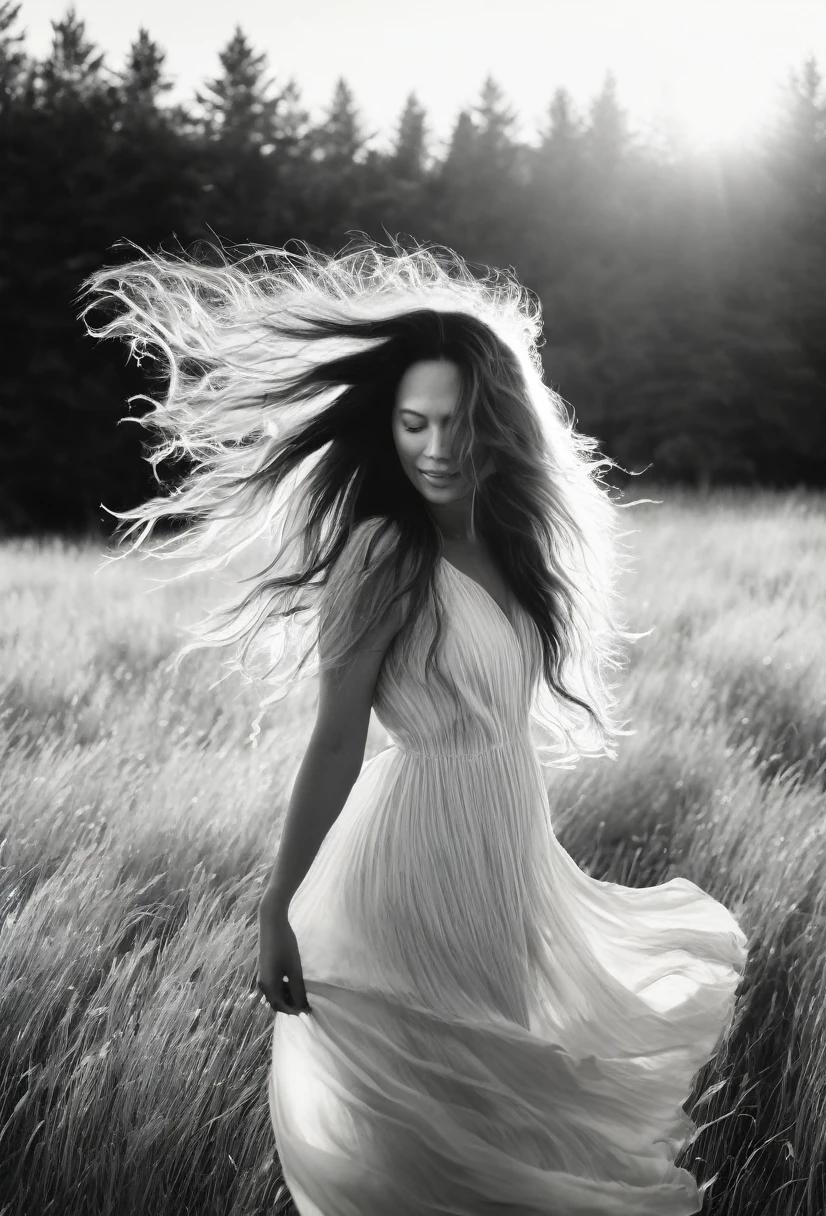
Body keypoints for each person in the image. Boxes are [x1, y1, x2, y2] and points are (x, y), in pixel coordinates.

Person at [79, 236, 748, 1215]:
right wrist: (278, 904)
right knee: (426, 1149)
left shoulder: (508, 545)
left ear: (501, 426)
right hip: (407, 862)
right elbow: (338, 736)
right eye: (413, 423)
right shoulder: (384, 549)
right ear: (387, 427)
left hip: (501, 859)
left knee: (494, 1120)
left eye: (458, 423)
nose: (435, 447)